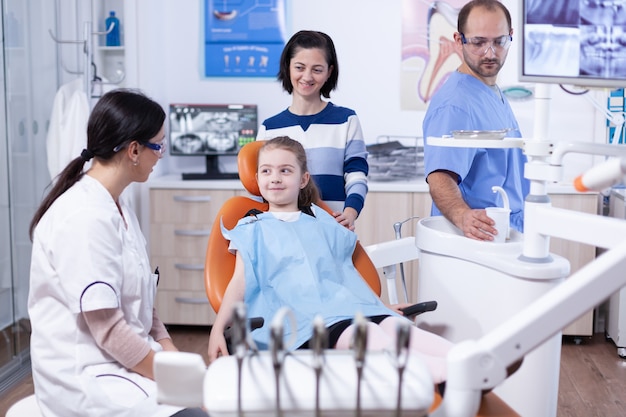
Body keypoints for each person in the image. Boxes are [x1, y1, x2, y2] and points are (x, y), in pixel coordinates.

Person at [207, 136, 452, 384]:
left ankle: (460, 358)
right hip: (299, 319)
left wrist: (377, 306)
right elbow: (239, 283)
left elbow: (344, 272)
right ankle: (442, 373)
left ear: (303, 179)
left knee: (395, 327)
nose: (275, 177)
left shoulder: (321, 221)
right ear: (257, 179)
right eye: (266, 171)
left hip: (344, 307)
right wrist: (218, 329)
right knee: (364, 333)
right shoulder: (251, 228)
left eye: (285, 170)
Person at [28, 89, 208, 417]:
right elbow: (108, 331)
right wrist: (180, 381)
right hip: (89, 378)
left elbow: (147, 311)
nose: (161, 155)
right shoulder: (83, 217)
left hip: (126, 363)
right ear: (135, 150)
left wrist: (180, 368)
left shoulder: (118, 205)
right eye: (159, 145)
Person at [422, 0, 529, 240]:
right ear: (459, 40)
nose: (490, 53)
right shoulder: (456, 103)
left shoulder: (491, 91)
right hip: (475, 236)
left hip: (504, 231)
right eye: (479, 42)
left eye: (499, 41)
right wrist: (462, 216)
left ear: (510, 36)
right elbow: (440, 176)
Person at [256, 30, 368, 231]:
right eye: (299, 67)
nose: (307, 77)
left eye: (317, 69)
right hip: (282, 234)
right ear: (288, 67)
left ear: (329, 72)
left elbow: (357, 175)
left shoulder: (346, 120)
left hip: (333, 230)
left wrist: (350, 213)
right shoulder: (269, 128)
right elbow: (258, 190)